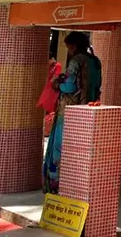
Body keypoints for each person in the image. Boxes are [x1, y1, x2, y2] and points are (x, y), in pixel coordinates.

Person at [43, 32, 102, 193]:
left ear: (73, 46)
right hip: (90, 109)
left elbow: (69, 86)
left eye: (68, 47)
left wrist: (57, 83)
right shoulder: (95, 61)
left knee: (62, 145)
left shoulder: (76, 61)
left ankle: (58, 183)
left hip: (70, 109)